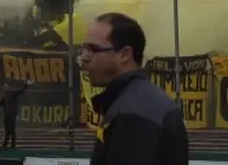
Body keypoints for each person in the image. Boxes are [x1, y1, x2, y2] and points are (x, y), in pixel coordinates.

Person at [80, 12, 188, 165]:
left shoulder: (132, 114)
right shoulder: (139, 101)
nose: (84, 57)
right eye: (83, 49)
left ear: (125, 54)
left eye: (93, 49)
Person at [0, 78, 32, 149]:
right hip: (6, 115)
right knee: (7, 131)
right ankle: (5, 146)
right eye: (4, 86)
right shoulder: (4, 95)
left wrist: (26, 85)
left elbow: (20, 91)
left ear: (8, 87)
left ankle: (13, 145)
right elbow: (3, 104)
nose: (5, 87)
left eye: (6, 86)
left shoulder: (12, 93)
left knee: (12, 130)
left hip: (12, 114)